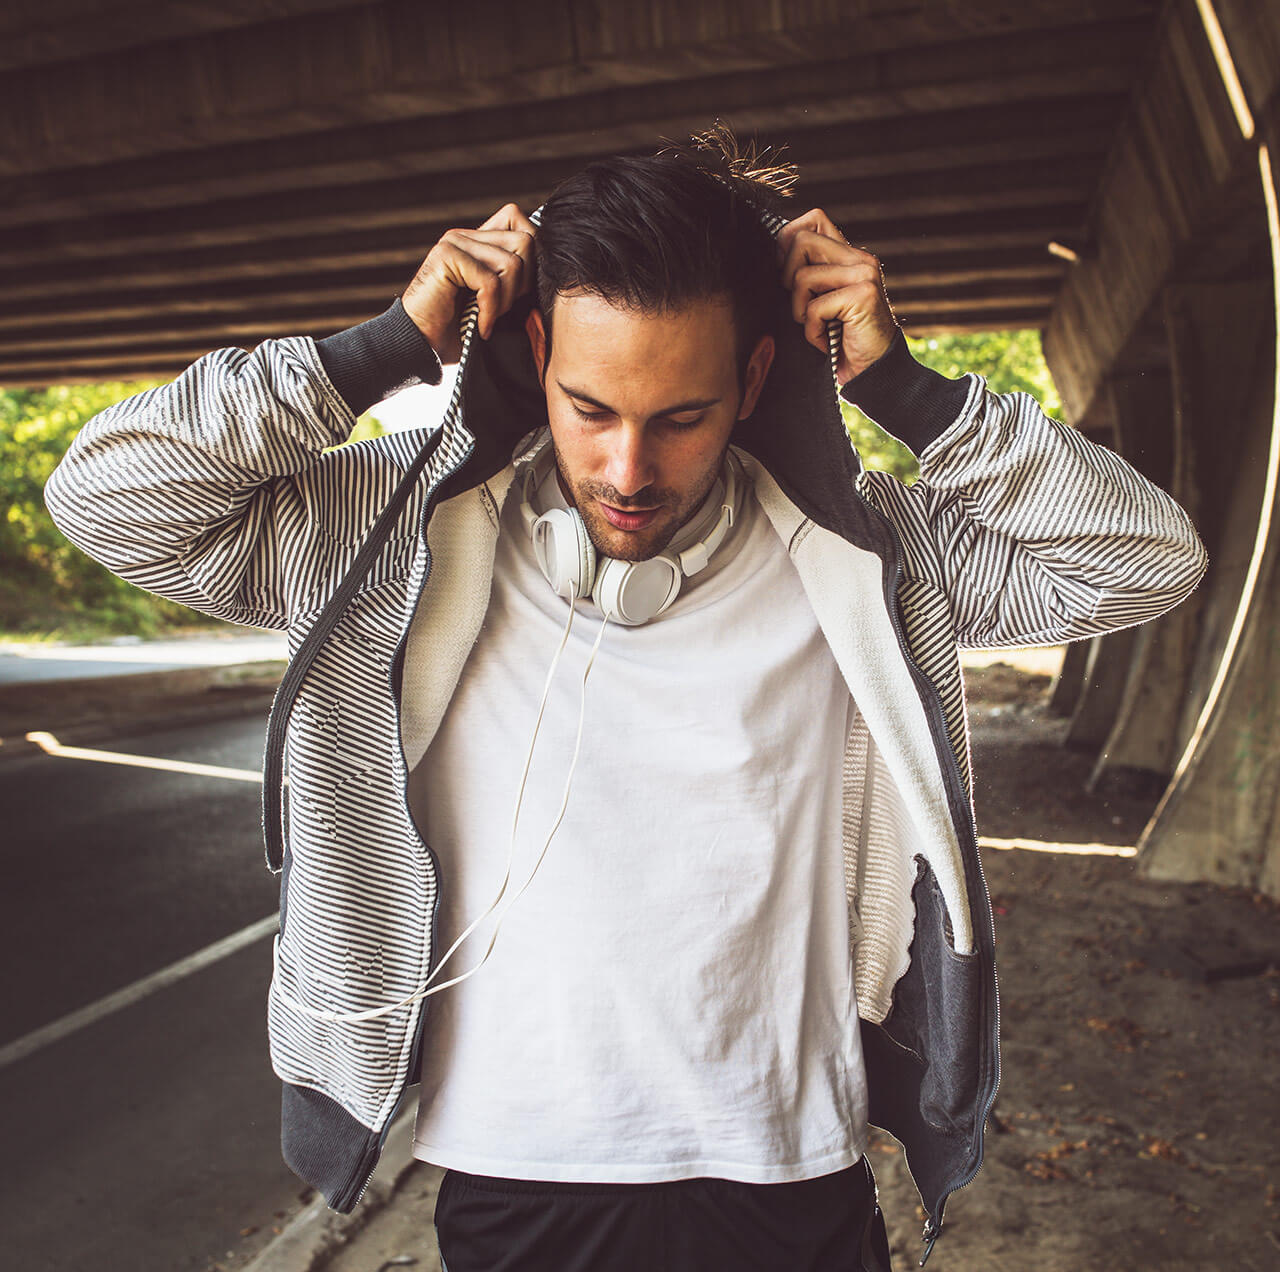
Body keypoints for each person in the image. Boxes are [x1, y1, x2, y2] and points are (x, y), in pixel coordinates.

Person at [45, 131, 1207, 1272]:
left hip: (788, 1172)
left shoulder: (864, 556)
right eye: (590, 407)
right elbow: (108, 500)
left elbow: (1144, 559)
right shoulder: (390, 534)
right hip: (514, 1174)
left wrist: (903, 389)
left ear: (753, 380)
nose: (627, 471)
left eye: (680, 417)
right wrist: (381, 348)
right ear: (536, 351)